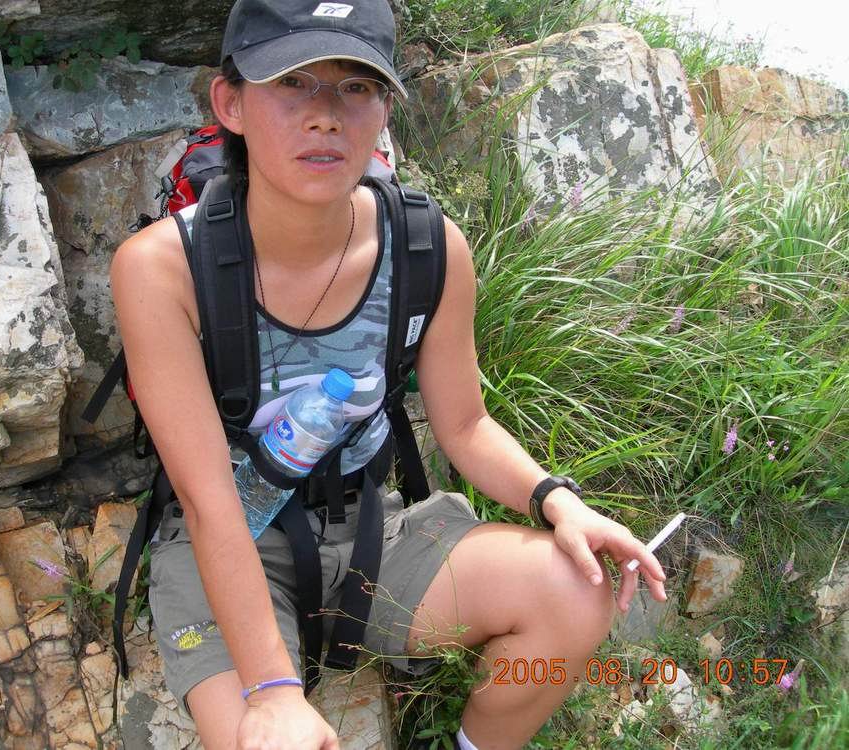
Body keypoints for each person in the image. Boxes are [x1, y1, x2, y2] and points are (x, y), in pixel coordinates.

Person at [110, 1, 668, 748]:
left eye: (357, 86)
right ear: (230, 104)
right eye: (292, 82)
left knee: (576, 589)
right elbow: (210, 501)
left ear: (383, 113)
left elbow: (464, 425)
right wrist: (272, 693)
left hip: (374, 525)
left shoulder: (426, 245)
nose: (325, 115)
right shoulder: (162, 268)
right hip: (227, 541)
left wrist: (558, 501)